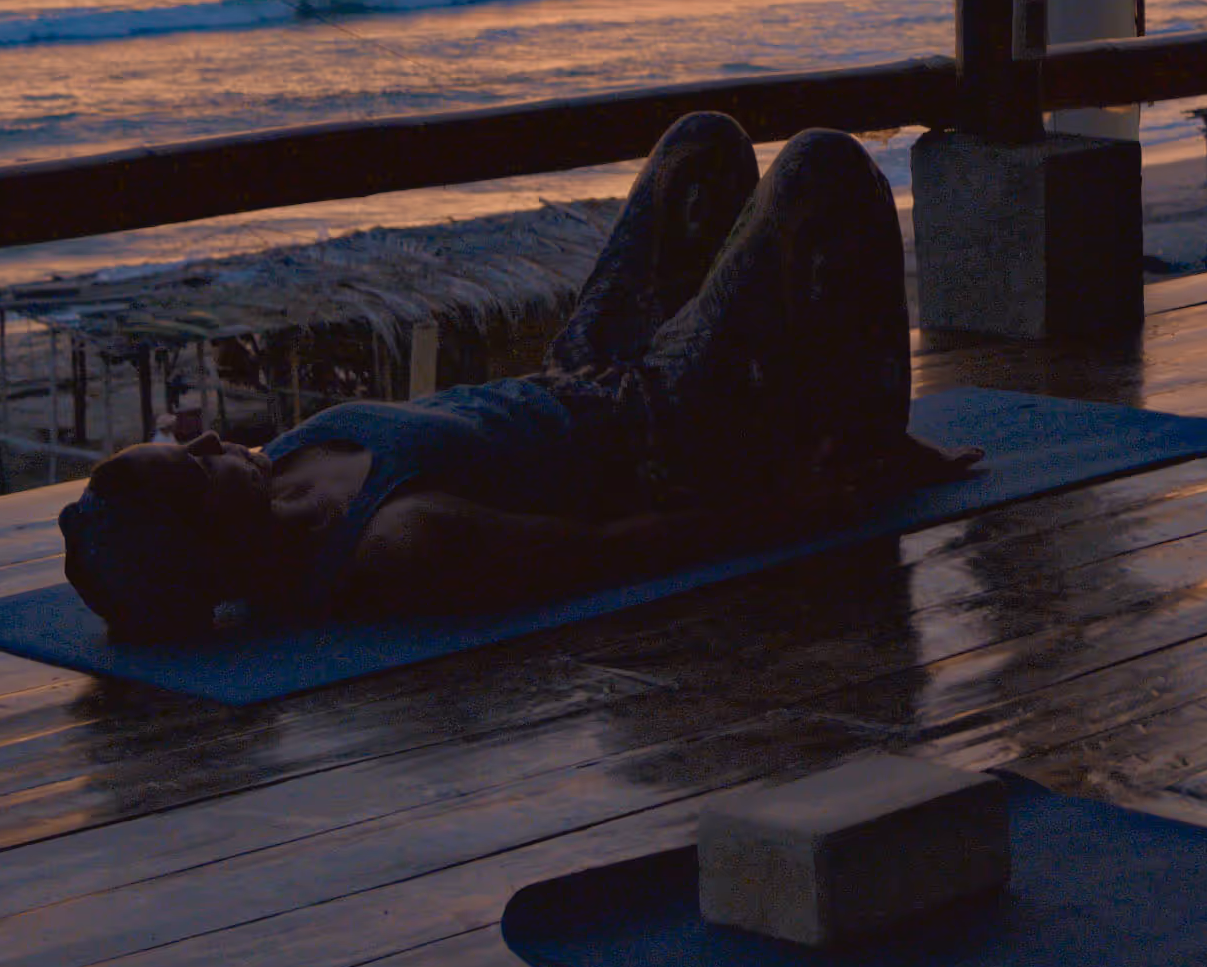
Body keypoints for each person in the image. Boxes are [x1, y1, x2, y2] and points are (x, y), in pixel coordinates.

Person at [59, 119, 940, 643]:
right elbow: (609, 554)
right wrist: (797, 512)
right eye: (196, 465)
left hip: (580, 373)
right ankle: (865, 436)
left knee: (700, 146)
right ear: (213, 538)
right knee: (824, 163)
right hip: (665, 427)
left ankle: (801, 397)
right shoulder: (396, 545)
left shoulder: (276, 471)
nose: (208, 437)